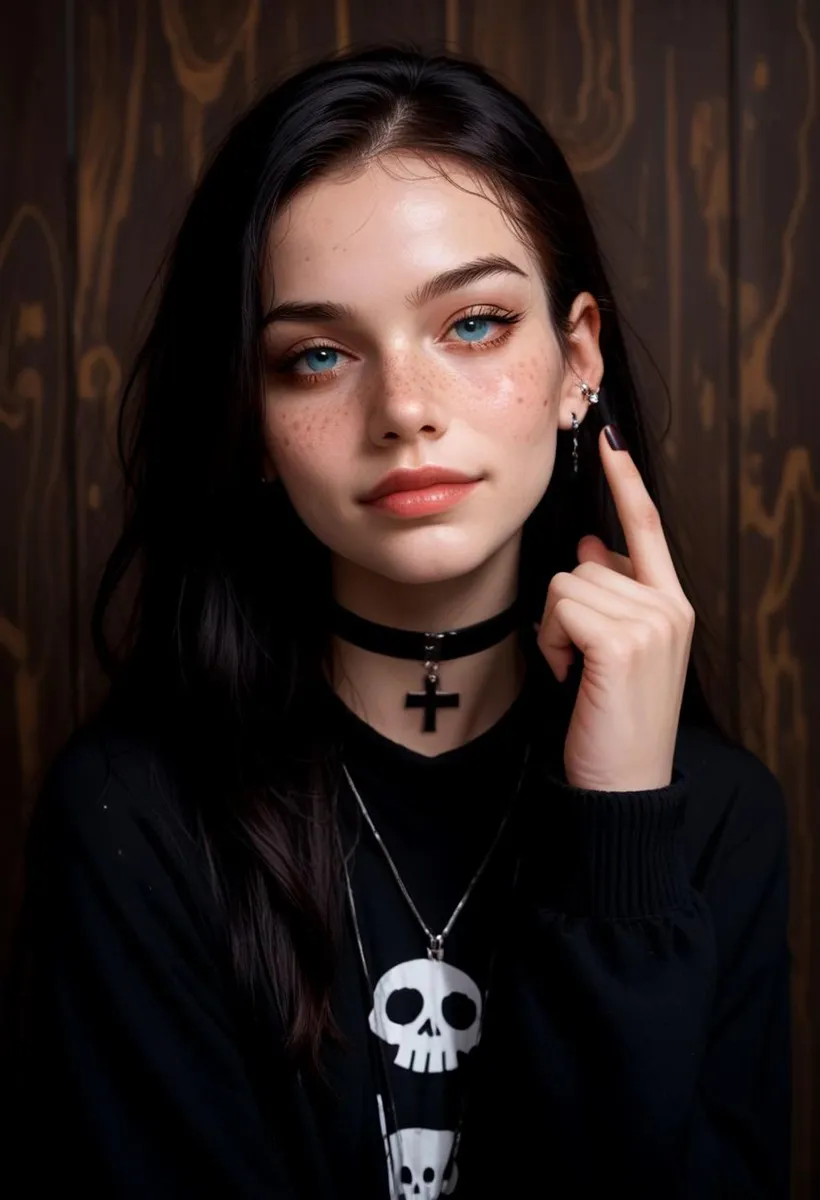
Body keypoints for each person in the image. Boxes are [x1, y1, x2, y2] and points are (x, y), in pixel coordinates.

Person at [8, 43, 790, 1199]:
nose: (404, 410)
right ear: (253, 418)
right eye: (317, 355)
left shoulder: (717, 822)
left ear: (578, 358)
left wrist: (621, 826)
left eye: (470, 324)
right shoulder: (134, 821)